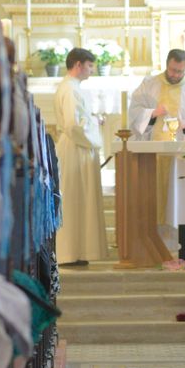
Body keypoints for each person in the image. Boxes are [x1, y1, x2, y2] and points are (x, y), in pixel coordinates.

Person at [127, 49, 185, 251]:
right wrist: (152, 113)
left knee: (182, 199)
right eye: (173, 70)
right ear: (167, 64)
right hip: (154, 157)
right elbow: (135, 111)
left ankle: (184, 242)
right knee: (155, 200)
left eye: (180, 71)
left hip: (181, 157)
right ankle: (155, 245)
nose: (175, 75)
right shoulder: (149, 85)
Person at [54, 47, 108, 265]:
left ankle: (78, 251)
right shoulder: (70, 88)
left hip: (78, 146)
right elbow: (73, 125)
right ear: (78, 65)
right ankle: (69, 253)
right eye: (89, 66)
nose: (92, 70)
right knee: (74, 199)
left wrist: (93, 119)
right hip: (76, 147)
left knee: (79, 199)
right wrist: (95, 123)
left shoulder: (71, 87)